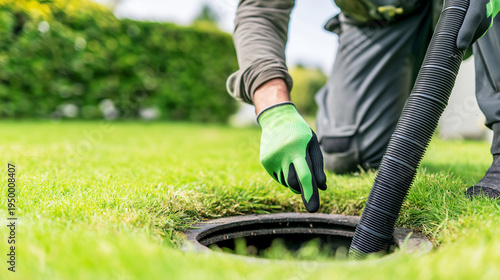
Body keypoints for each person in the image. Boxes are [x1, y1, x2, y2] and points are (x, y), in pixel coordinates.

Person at [226, 0, 500, 212]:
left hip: (464, 8)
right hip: (379, 20)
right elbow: (260, 10)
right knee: (348, 154)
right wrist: (275, 111)